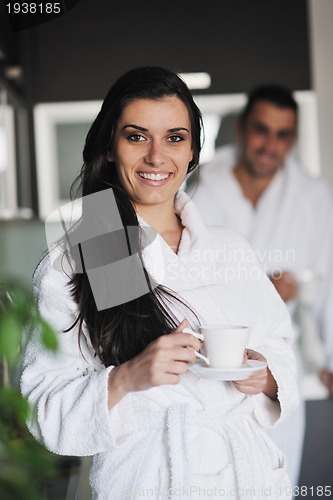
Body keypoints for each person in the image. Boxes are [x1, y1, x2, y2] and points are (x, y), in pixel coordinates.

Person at [21, 68, 299, 500]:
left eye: (174, 138)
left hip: (249, 478)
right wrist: (127, 378)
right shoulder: (81, 257)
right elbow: (45, 409)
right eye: (136, 136)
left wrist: (264, 376)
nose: (156, 156)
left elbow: (280, 347)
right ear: (110, 147)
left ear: (192, 151)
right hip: (149, 480)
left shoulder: (230, 249)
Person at [190, 84, 333, 489]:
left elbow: (329, 281)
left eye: (282, 134)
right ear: (241, 128)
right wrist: (265, 284)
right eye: (261, 130)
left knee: (276, 483)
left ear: (293, 139)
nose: (270, 144)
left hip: (276, 366)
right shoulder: (201, 185)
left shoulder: (314, 197)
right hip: (209, 363)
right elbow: (188, 272)